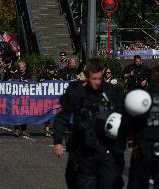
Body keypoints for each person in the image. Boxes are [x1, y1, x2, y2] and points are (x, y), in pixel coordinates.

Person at [53, 58, 125, 189]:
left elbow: (125, 117)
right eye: (93, 79)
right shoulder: (76, 92)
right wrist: (57, 142)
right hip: (85, 151)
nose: (97, 82)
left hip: (107, 149)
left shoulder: (113, 91)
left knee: (110, 182)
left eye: (99, 78)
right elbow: (62, 117)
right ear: (86, 76)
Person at [127, 66, 159, 189]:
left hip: (142, 150)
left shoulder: (139, 96)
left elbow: (128, 121)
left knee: (138, 184)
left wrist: (129, 142)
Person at [11, 61, 33, 137]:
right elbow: (12, 82)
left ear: (25, 67)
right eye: (19, 67)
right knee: (17, 113)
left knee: (25, 113)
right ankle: (16, 129)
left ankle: (24, 130)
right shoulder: (15, 74)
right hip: (17, 97)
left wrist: (28, 81)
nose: (21, 69)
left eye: (22, 68)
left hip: (25, 97)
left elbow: (32, 82)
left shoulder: (28, 74)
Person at [39, 64, 58, 137]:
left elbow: (62, 83)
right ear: (47, 70)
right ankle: (47, 130)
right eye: (50, 69)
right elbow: (38, 83)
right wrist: (40, 81)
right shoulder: (44, 76)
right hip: (46, 99)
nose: (52, 71)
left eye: (53, 69)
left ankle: (54, 129)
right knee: (47, 114)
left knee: (55, 114)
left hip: (55, 99)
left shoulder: (57, 76)